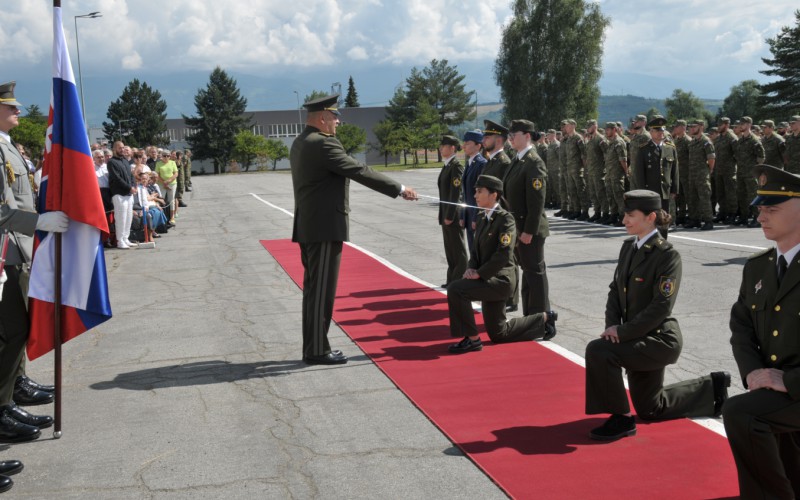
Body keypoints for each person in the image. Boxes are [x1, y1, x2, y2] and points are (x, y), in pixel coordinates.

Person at [584, 190, 730, 441]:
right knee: (652, 408)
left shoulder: (667, 255)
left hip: (659, 340)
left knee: (599, 350)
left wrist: (622, 332)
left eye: (631, 215)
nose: (624, 220)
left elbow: (662, 306)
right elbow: (615, 291)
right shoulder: (629, 248)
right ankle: (712, 389)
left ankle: (621, 419)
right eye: (624, 214)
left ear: (650, 217)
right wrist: (612, 327)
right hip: (636, 338)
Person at [290, 94, 417, 365]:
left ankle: (313, 346)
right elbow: (358, 170)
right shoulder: (323, 143)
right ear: (322, 117)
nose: (337, 121)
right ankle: (316, 351)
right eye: (334, 116)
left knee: (313, 291)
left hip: (310, 226)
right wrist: (399, 188)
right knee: (321, 292)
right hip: (324, 228)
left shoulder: (301, 141)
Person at [725, 165, 800, 498]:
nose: (761, 217)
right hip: (778, 388)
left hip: (795, 385)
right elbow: (741, 325)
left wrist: (791, 381)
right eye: (760, 208)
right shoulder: (758, 267)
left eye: (773, 209)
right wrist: (753, 372)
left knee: (741, 413)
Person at [1, 81, 68, 446]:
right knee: (12, 331)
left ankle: (11, 393)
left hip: (16, 248)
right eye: (10, 105)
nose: (18, 110)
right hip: (6, 251)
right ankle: (3, 405)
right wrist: (39, 222)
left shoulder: (8, 146)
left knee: (16, 329)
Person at [447, 175, 558, 354]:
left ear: (494, 195)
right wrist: (471, 268)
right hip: (487, 278)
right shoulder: (482, 217)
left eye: (480, 191)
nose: (475, 195)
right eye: (475, 191)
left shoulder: (506, 219)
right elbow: (475, 251)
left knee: (456, 289)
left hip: (500, 280)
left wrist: (480, 273)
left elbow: (503, 253)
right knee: (499, 334)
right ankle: (545, 318)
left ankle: (472, 339)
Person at [504, 119, 550, 315]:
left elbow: (536, 201)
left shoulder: (533, 162)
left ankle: (542, 318)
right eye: (510, 135)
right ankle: (530, 316)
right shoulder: (518, 159)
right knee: (529, 274)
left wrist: (529, 231)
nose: (510, 138)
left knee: (535, 274)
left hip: (530, 230)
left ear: (527, 136)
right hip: (519, 228)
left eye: (514, 135)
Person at [634, 116, 679, 237]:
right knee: (651, 219)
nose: (661, 133)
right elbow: (639, 173)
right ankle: (650, 241)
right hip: (650, 191)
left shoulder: (670, 148)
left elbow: (675, 170)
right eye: (657, 130)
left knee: (664, 218)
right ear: (651, 132)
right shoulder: (644, 149)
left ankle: (663, 242)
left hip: (665, 190)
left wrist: (674, 189)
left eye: (662, 130)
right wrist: (642, 191)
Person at [437, 135, 468, 287]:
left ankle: (459, 279)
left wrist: (449, 215)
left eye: (443, 146)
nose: (440, 149)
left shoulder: (456, 167)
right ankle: (452, 279)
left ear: (452, 148)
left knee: (458, 249)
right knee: (450, 249)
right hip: (446, 214)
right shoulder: (447, 166)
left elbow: (456, 194)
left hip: (453, 215)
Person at [733, 117, 766, 228]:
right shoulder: (740, 140)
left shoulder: (754, 140)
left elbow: (761, 157)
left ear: (748, 125)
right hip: (741, 172)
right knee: (741, 195)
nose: (740, 126)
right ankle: (744, 217)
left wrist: (758, 172)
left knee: (753, 195)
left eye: (742, 124)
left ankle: (757, 218)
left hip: (751, 173)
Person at [683, 119, 715, 230]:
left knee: (704, 198)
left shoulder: (706, 141)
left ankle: (708, 221)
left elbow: (711, 158)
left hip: (702, 175)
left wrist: (709, 170)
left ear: (701, 127)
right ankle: (695, 220)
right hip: (692, 174)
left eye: (694, 127)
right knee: (693, 198)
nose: (691, 129)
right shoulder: (692, 142)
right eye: (690, 127)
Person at [107, 141, 137, 249]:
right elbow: (117, 178)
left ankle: (125, 238)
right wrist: (129, 187)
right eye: (120, 148)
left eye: (123, 147)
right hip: (119, 194)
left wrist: (133, 186)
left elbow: (131, 175)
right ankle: (120, 241)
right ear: (114, 149)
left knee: (128, 217)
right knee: (121, 218)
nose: (122, 149)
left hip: (129, 194)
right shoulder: (111, 162)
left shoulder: (125, 161)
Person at [460, 130, 486, 253]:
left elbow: (480, 194)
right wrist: (462, 215)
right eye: (464, 143)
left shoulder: (481, 164)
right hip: (468, 215)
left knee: (477, 252)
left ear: (478, 145)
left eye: (468, 143)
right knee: (472, 250)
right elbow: (465, 193)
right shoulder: (470, 163)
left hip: (475, 216)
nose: (464, 146)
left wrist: (476, 217)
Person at [602, 121, 628, 227]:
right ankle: (613, 215)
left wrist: (626, 172)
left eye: (608, 129)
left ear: (614, 130)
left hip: (617, 174)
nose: (606, 131)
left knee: (619, 196)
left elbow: (623, 159)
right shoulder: (610, 142)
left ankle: (622, 217)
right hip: (609, 173)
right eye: (605, 129)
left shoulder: (619, 142)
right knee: (610, 195)